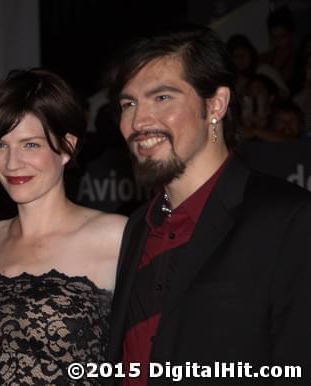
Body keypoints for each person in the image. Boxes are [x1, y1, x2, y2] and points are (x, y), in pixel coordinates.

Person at [108, 25, 311, 385]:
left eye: (162, 98)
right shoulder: (137, 227)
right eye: (128, 104)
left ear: (215, 104)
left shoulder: (288, 219)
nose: (138, 121)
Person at [0, 69, 127, 384]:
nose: (12, 162)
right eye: (0, 145)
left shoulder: (114, 235)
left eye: (30, 145)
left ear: (67, 147)